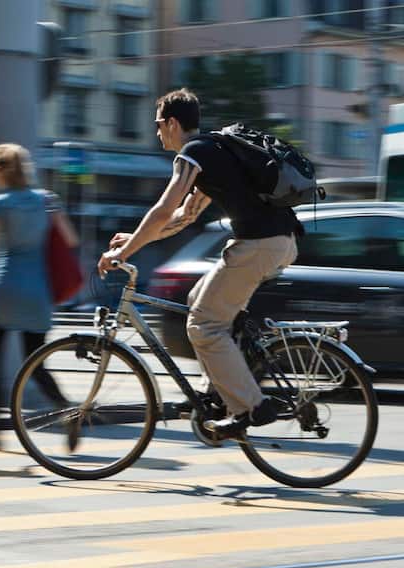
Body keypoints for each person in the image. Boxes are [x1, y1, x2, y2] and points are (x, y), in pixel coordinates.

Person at [98, 88, 302, 439]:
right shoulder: (213, 151)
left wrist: (124, 253)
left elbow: (163, 208)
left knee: (203, 325)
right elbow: (183, 216)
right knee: (198, 302)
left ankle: (252, 406)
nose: (157, 132)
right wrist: (133, 238)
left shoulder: (193, 154)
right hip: (280, 242)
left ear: (172, 123)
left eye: (158, 124)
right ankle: (221, 394)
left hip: (258, 245)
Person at [0, 143, 78, 451]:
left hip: (3, 289)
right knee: (35, 362)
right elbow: (71, 239)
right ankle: (67, 409)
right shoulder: (48, 201)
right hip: (38, 292)